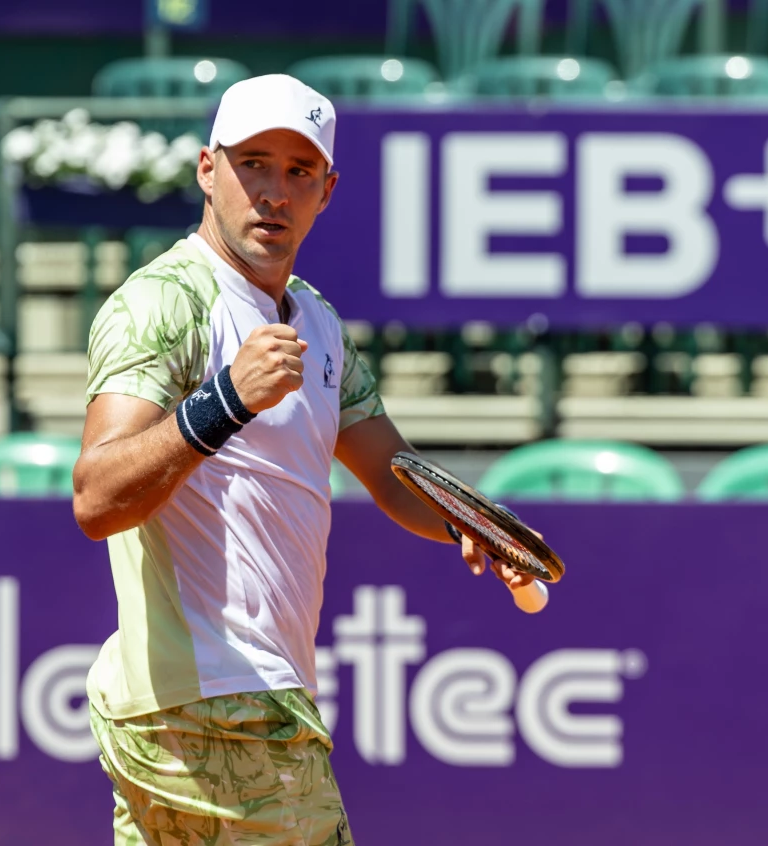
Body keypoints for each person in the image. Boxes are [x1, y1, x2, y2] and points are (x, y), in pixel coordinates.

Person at [72, 74, 534, 846]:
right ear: (207, 169)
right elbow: (97, 498)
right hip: (216, 705)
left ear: (327, 189)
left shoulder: (317, 321)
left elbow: (394, 473)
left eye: (298, 172)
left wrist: (473, 526)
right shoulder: (162, 302)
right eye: (253, 163)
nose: (273, 193)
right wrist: (227, 399)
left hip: (234, 699)